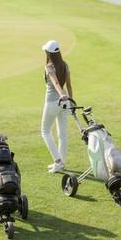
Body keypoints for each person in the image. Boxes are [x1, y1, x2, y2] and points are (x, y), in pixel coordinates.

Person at [41, 40, 73, 173]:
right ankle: (62, 162)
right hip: (64, 103)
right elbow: (69, 86)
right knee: (62, 133)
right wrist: (70, 100)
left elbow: (55, 82)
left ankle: (58, 161)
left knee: (45, 131)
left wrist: (62, 95)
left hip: (53, 101)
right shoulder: (64, 64)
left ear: (49, 53)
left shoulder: (49, 66)